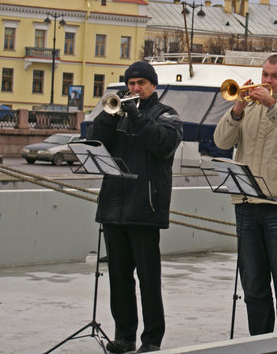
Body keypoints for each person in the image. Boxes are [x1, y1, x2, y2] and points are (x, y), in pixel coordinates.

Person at [213, 53, 277, 335]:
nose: (267, 80)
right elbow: (221, 141)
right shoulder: (248, 106)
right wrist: (236, 110)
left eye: (275, 76)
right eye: (265, 75)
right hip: (246, 204)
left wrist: (272, 105)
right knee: (253, 287)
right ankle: (260, 343)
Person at [88, 61, 183, 353]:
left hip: (145, 208)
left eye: (141, 83)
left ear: (153, 85)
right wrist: (107, 115)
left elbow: (162, 144)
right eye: (130, 83)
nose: (135, 88)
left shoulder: (167, 115)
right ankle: (125, 335)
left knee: (148, 277)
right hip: (115, 206)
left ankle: (152, 339)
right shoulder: (118, 112)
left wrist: (138, 116)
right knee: (119, 277)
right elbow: (95, 141)